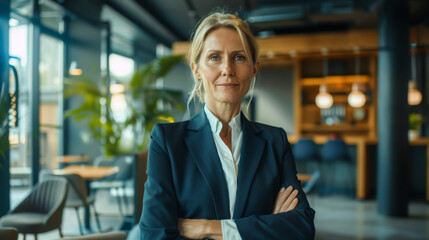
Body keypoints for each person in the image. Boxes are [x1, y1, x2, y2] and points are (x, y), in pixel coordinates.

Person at [139, 11, 315, 240]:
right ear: (196, 69)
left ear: (253, 69)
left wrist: (208, 228)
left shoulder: (275, 141)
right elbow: (154, 236)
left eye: (239, 57)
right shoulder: (167, 142)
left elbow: (301, 228)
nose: (227, 69)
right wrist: (268, 225)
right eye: (214, 57)